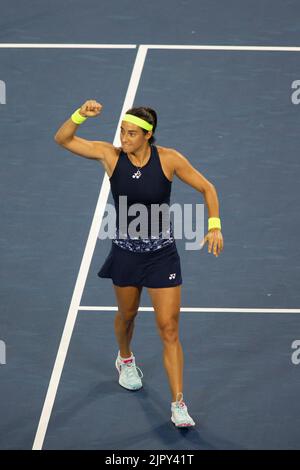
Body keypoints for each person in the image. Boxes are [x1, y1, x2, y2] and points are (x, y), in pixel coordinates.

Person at [54, 100, 224, 428]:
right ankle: (125, 358)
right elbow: (63, 139)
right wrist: (78, 115)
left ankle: (178, 404)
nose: (123, 138)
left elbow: (207, 187)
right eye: (122, 131)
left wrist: (214, 225)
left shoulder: (170, 159)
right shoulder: (110, 156)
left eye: (131, 133)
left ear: (148, 135)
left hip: (161, 256)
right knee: (127, 316)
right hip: (126, 254)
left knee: (169, 328)